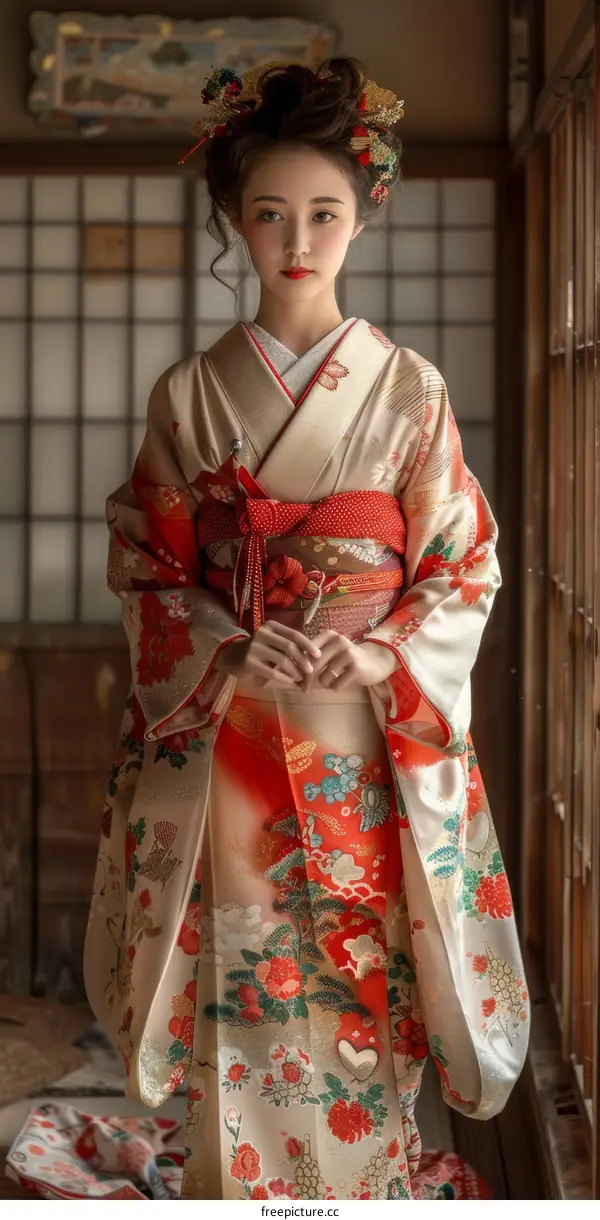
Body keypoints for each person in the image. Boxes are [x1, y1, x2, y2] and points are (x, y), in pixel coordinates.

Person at [83, 58, 530, 1201]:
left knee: (359, 995)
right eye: (270, 213)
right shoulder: (190, 395)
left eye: (323, 212)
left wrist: (382, 649)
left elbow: (463, 564)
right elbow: (146, 567)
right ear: (236, 217)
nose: (297, 239)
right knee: (246, 998)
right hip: (235, 737)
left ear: (364, 213)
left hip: (361, 749)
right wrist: (226, 642)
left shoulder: (411, 392)